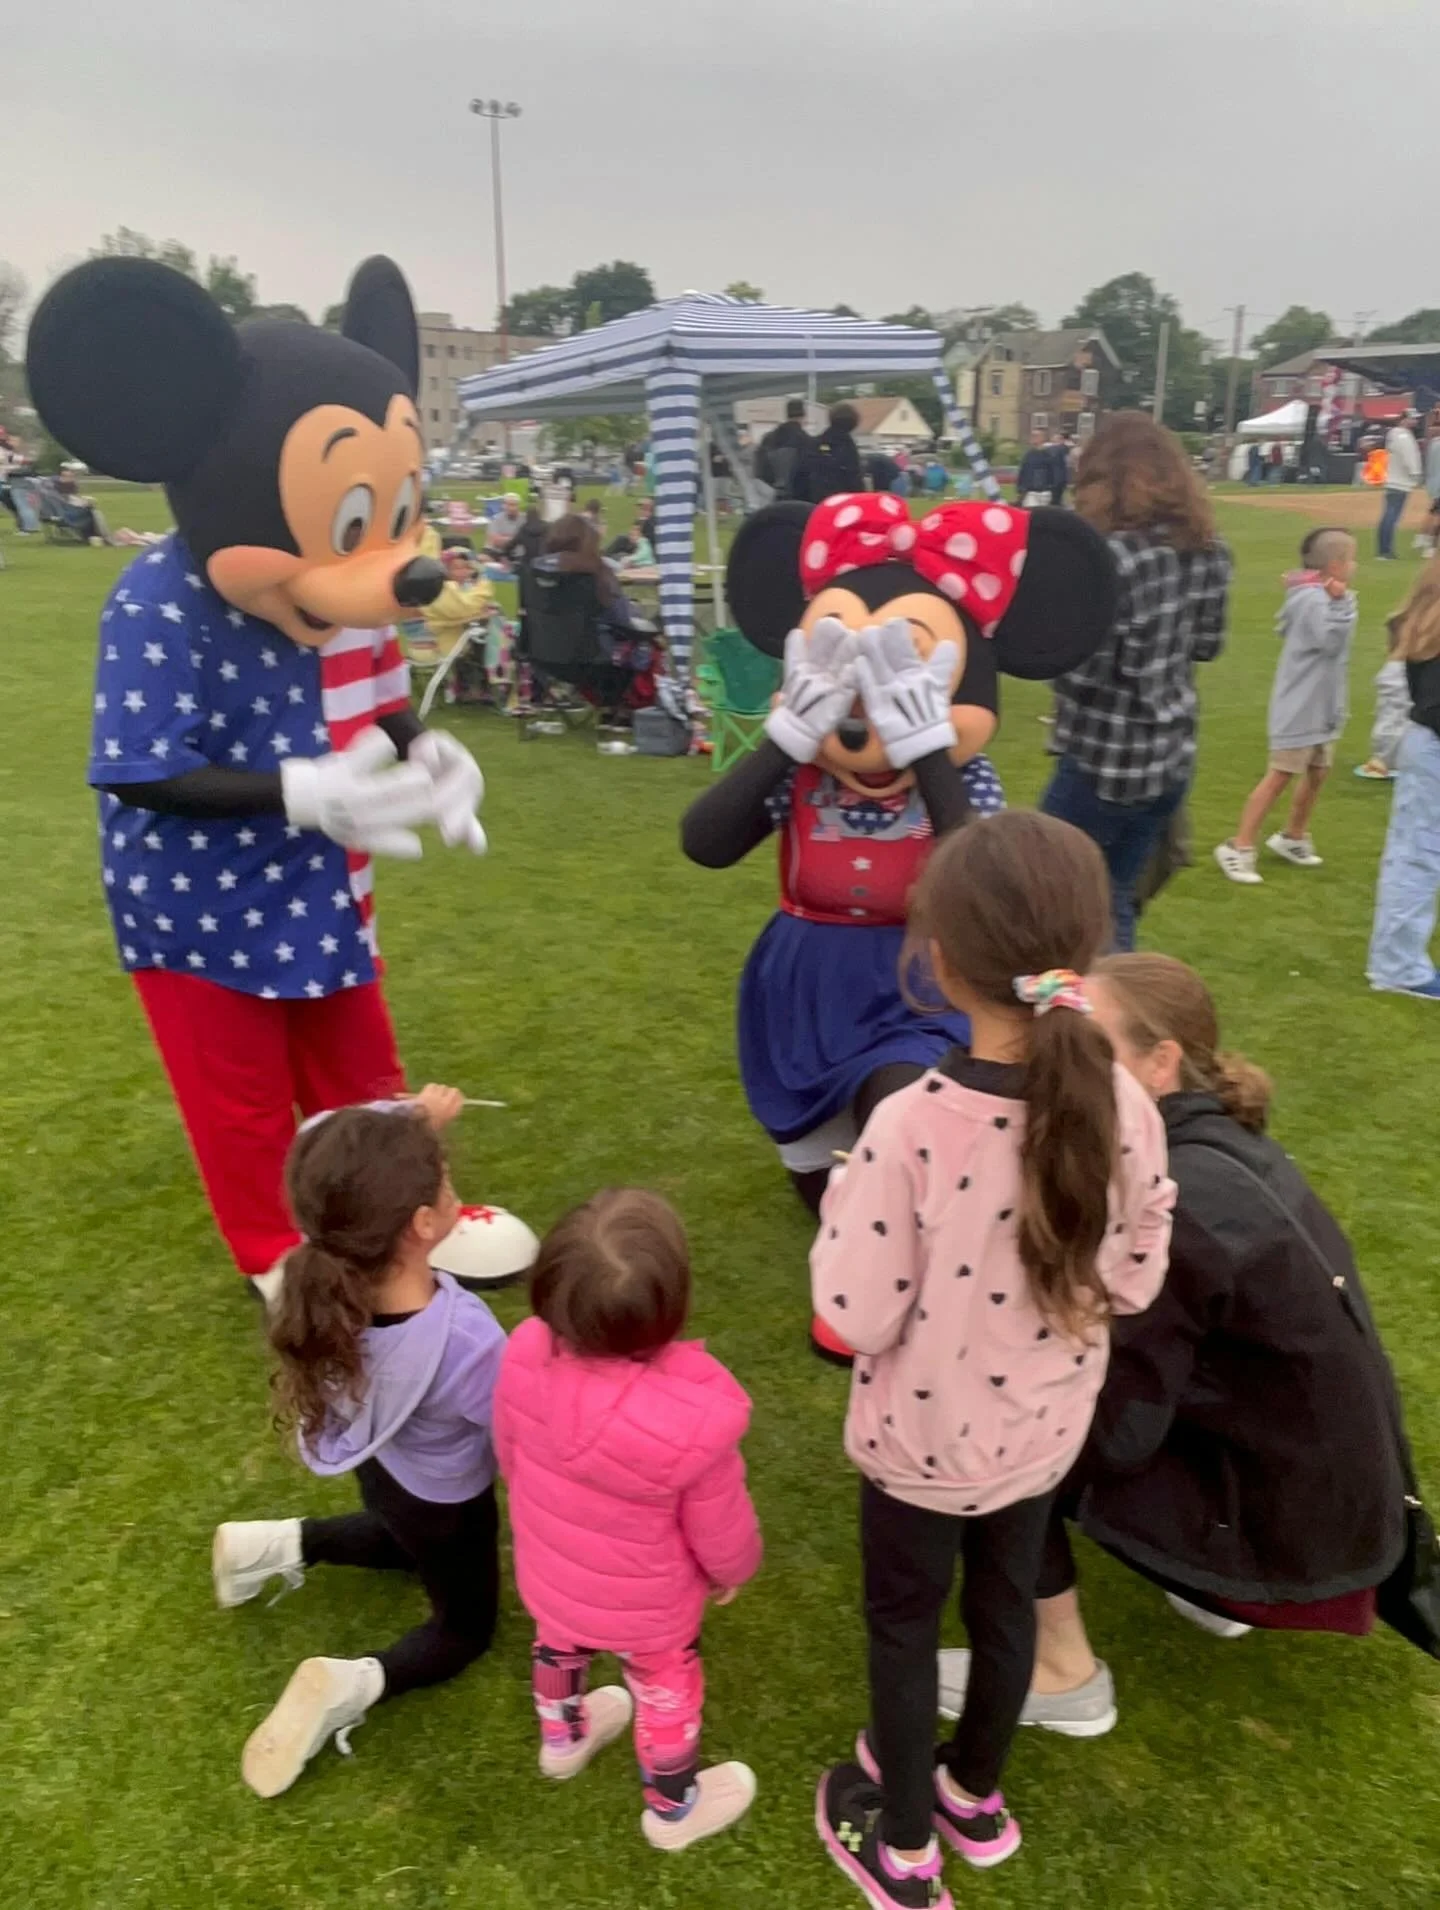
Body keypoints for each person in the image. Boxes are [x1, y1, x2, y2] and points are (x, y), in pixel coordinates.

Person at [811, 811, 1172, 1909]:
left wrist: (843, 1202)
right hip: (1041, 1434)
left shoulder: (910, 1126)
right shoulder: (1125, 1102)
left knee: (905, 1630)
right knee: (1006, 1605)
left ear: (939, 959)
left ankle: (905, 1850)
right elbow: (1135, 1277)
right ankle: (972, 1793)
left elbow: (853, 1312)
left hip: (919, 1447)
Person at [937, 953, 1409, 1738]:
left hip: (1289, 1542)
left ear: (1160, 1063)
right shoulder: (1216, 1144)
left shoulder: (1178, 1207)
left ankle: (1061, 1673)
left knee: (987, 1429)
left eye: (1091, 1049)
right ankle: (1209, 1586)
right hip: (1323, 1509)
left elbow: (1114, 1432)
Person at [212, 1098, 505, 1797]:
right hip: (449, 1505)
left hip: (385, 1473)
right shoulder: (467, 1341)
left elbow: (321, 1140)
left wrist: (413, 1118)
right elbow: (519, 1438)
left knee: (401, 1537)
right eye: (443, 1177)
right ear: (422, 1224)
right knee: (464, 1629)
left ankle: (271, 1545)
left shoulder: (327, 1261)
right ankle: (352, 1684)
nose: (451, 1179)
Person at [494, 1189, 763, 1851]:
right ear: (673, 1307)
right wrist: (732, 1572)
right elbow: (720, 1526)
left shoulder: (524, 1352)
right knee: (665, 1687)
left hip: (552, 1568)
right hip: (651, 1607)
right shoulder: (694, 1420)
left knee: (557, 1644)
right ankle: (672, 1809)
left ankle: (562, 1739)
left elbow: (508, 1450)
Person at [1041, 412, 1231, 950]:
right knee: (1114, 896)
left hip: (1103, 763)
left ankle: (1097, 998)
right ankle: (1113, 990)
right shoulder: (1210, 550)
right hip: (1169, 757)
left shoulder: (1111, 559)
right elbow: (1207, 644)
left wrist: (1051, 643)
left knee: (1057, 895)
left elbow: (1086, 674)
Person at [1214, 528, 1357, 883]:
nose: (1355, 566)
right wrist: (1341, 604)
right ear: (1335, 564)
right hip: (1300, 707)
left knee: (1318, 771)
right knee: (1280, 774)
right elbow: (1330, 642)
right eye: (1351, 559)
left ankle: (1293, 836)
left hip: (1322, 706)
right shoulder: (1313, 600)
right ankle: (1238, 846)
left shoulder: (1321, 595)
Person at [1367, 560, 1440, 997]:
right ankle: (1398, 968)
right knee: (1417, 856)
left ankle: (1399, 962)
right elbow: (1433, 706)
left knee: (1416, 853)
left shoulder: (1422, 620)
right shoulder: (1429, 627)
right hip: (1431, 747)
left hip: (1425, 745)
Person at [1355, 608, 1411, 780]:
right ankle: (1386, 760)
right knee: (1396, 719)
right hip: (1394, 740)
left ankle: (1384, 758)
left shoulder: (1396, 669)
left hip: (1391, 737)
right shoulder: (1399, 672)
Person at [421, 545, 496, 654]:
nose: (463, 572)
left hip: (455, 641)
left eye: (467, 568)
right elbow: (463, 610)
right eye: (457, 568)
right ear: (445, 570)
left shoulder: (465, 588)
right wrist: (481, 613)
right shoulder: (443, 590)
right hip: (447, 647)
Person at [792, 401, 864, 504]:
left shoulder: (813, 444)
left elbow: (798, 477)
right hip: (840, 505)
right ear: (854, 423)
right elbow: (855, 481)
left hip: (811, 504)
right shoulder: (848, 448)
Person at [1378, 413, 1422, 559]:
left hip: (1393, 480)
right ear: (1404, 420)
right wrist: (1415, 474)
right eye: (1412, 418)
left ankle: (1384, 549)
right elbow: (1408, 457)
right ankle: (1385, 551)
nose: (1415, 421)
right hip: (1400, 481)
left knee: (1389, 515)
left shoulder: (1394, 434)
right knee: (1392, 516)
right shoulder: (1403, 436)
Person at [755, 398, 813, 500]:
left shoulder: (768, 438)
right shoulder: (807, 440)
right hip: (799, 496)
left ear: (787, 414)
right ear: (804, 415)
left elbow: (761, 470)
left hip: (775, 495)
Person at [1014, 427, 1053, 506]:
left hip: (1045, 492)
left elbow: (1053, 473)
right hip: (1031, 492)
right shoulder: (1028, 455)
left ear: (1043, 438)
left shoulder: (1049, 455)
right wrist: (1020, 489)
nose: (1033, 438)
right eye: (1032, 435)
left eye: (1036, 436)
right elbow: (1023, 472)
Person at [485, 490, 525, 557]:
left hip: (520, 554)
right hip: (498, 553)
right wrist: (517, 539)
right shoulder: (496, 519)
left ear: (518, 506)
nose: (511, 508)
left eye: (514, 505)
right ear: (503, 506)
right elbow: (496, 541)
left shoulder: (524, 519)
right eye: (508, 505)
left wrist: (505, 538)